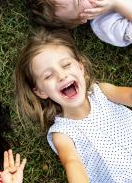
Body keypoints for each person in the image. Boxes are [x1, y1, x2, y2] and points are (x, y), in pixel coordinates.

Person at [14, 28, 132, 182]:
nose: (62, 75)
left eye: (66, 65)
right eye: (48, 76)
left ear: (81, 67)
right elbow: (72, 163)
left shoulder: (102, 92)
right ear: (41, 92)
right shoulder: (61, 134)